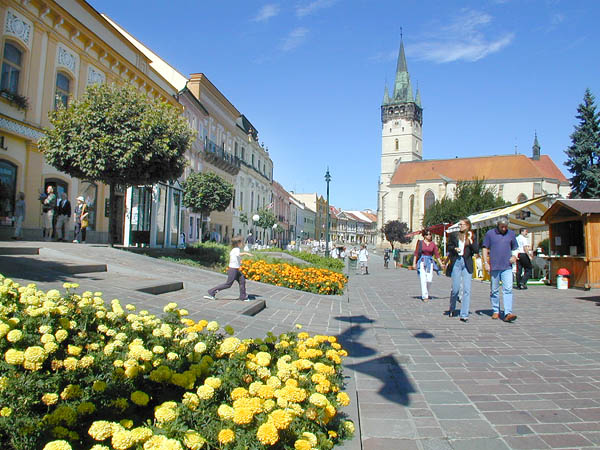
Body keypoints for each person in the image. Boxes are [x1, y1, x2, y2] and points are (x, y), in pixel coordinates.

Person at [482, 217, 518, 322]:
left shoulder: (511, 234)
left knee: (508, 289)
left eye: (506, 227)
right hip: (495, 266)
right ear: (498, 225)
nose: (504, 229)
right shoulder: (490, 234)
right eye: (502, 227)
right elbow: (485, 248)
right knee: (494, 290)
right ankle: (495, 310)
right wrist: (485, 263)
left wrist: (514, 256)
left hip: (507, 266)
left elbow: (515, 248)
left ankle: (508, 312)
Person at [446, 218, 479, 322]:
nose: (460, 226)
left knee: (466, 290)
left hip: (467, 263)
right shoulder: (454, 235)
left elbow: (476, 250)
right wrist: (455, 248)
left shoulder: (472, 236)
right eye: (459, 224)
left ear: (468, 225)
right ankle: (452, 307)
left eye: (462, 224)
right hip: (457, 262)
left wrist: (471, 240)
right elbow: (449, 246)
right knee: (455, 289)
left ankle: (464, 314)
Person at [204, 236, 252, 301]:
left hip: (236, 269)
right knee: (228, 284)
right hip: (233, 270)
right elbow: (238, 254)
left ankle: (243, 296)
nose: (243, 244)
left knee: (242, 280)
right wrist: (246, 253)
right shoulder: (236, 249)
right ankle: (212, 292)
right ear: (238, 243)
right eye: (242, 242)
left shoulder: (235, 249)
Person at [412, 229, 445, 302]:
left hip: (430, 262)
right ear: (424, 236)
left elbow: (437, 255)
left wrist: (441, 264)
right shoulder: (420, 243)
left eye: (430, 234)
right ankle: (425, 296)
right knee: (423, 279)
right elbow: (416, 253)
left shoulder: (433, 244)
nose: (429, 236)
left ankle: (426, 291)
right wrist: (414, 263)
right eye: (427, 234)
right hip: (422, 261)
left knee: (429, 280)